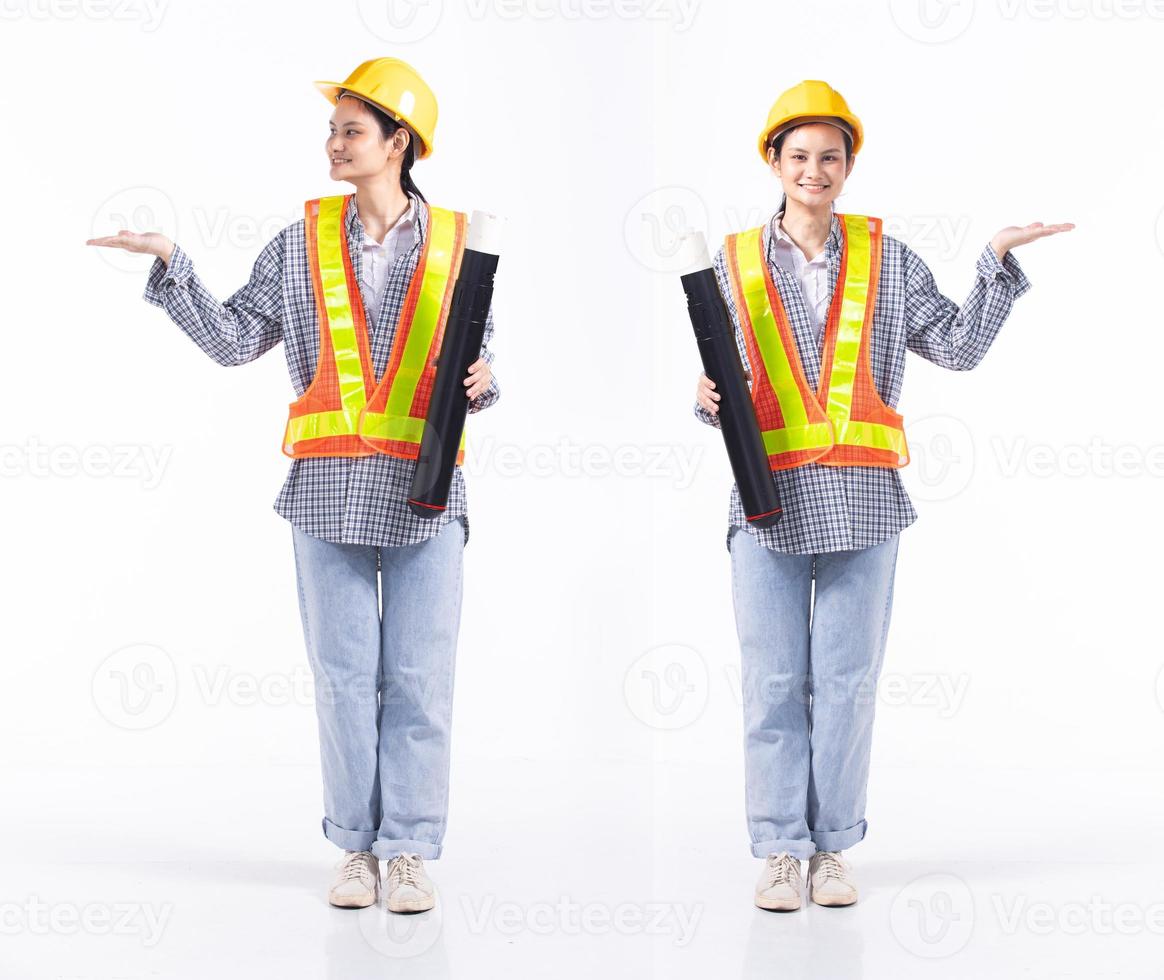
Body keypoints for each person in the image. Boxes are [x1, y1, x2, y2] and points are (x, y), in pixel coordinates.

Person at [87, 57, 500, 913]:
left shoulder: (465, 245)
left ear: (399, 142)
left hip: (429, 496)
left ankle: (410, 849)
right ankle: (356, 849)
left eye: (351, 130)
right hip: (324, 495)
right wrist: (173, 265)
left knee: (420, 677)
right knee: (345, 677)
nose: (333, 144)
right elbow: (239, 339)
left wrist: (487, 380)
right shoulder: (297, 242)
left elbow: (485, 365)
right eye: (332, 129)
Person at [692, 79, 1072, 911]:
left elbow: (958, 346)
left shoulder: (888, 260)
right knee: (772, 683)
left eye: (830, 156)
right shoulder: (730, 262)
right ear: (773, 162)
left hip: (865, 505)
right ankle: (780, 850)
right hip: (765, 504)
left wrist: (996, 262)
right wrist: (705, 395)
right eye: (799, 156)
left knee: (848, 682)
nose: (815, 170)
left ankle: (832, 849)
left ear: (849, 164)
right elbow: (721, 379)